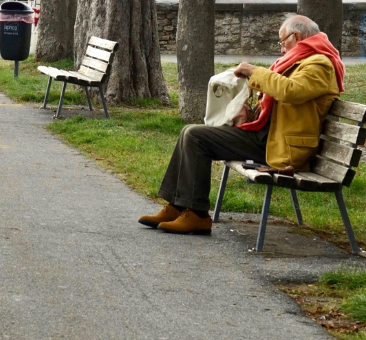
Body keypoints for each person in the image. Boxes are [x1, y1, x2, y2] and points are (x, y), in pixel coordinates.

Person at [139, 15, 345, 235]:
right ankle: (177, 206)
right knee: (189, 131)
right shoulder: (304, 59)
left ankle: (197, 216)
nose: (282, 48)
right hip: (270, 137)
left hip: (282, 147)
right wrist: (254, 113)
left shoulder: (320, 63)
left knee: (196, 137)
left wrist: (254, 72)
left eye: (282, 41)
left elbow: (291, 91)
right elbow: (285, 101)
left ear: (296, 37)